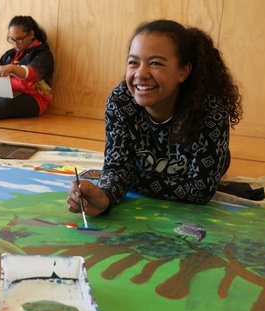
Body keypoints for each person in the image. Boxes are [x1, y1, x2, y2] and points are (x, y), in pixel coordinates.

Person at [67, 19, 242, 216]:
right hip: (151, 166)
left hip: (202, 161)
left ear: (183, 72)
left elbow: (199, 191)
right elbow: (117, 167)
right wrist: (104, 196)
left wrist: (130, 179)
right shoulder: (121, 101)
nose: (140, 74)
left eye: (155, 63)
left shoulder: (209, 111)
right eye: (133, 62)